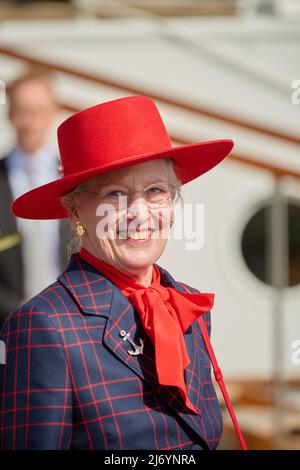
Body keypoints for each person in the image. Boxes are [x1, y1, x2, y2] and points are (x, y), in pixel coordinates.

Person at [0, 95, 241, 450]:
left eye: (155, 191)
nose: (139, 214)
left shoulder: (189, 307)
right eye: (115, 194)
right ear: (75, 214)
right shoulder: (42, 326)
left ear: (172, 205)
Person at [0, 73, 69, 326]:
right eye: (23, 111)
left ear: (53, 113)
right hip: (6, 327)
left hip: (68, 323)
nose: (31, 122)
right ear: (10, 115)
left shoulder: (74, 180)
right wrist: (13, 309)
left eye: (40, 110)